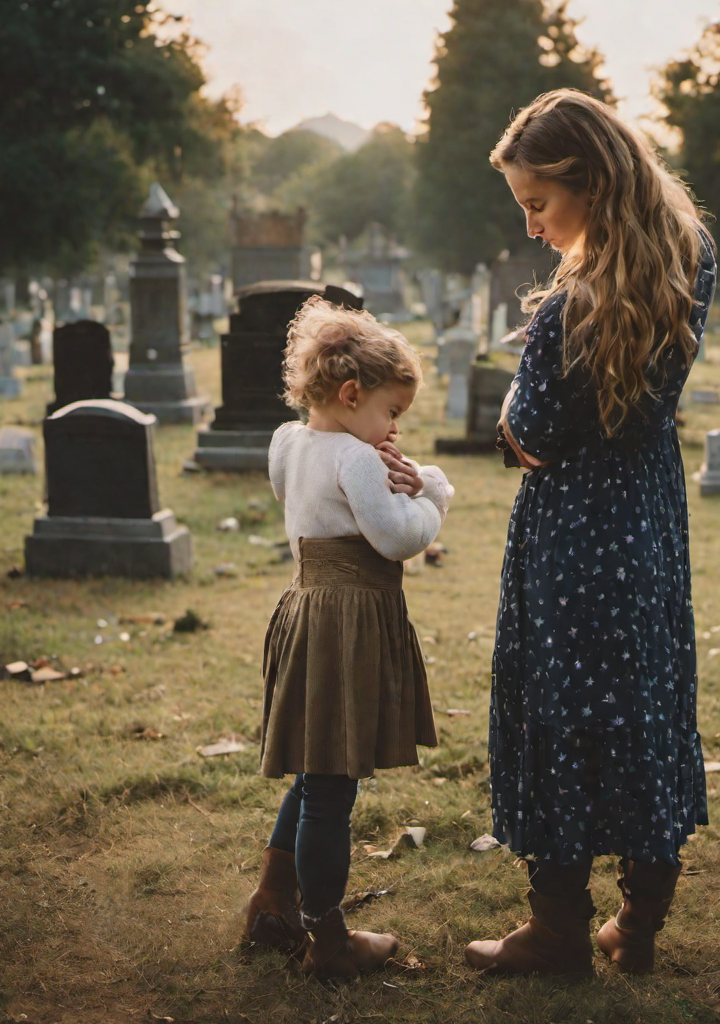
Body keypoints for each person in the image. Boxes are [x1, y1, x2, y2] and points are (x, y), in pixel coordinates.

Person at [464, 89, 717, 977]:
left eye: (539, 203)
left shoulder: (564, 314)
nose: (533, 225)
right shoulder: (694, 258)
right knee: (645, 702)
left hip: (571, 533)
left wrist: (510, 419)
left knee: (559, 715)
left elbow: (529, 434)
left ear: (592, 183)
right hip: (647, 524)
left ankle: (559, 927)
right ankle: (639, 924)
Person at [243, 296, 454, 981]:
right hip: (350, 623)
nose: (392, 428)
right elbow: (400, 537)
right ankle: (327, 939)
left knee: (314, 767)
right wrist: (430, 491)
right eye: (390, 413)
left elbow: (304, 497)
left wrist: (391, 468)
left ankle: (272, 905)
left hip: (305, 608)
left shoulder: (289, 442)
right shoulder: (357, 461)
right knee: (332, 786)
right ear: (351, 392)